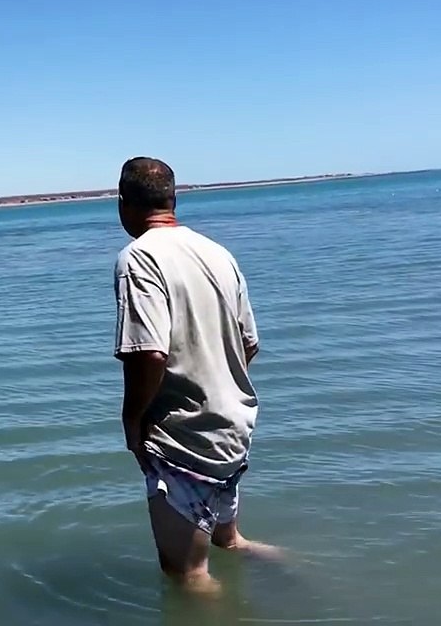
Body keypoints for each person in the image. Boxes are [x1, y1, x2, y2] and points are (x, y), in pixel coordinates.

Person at [111, 156, 277, 596]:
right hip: (234, 427)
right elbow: (249, 343)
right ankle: (301, 575)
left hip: (184, 437)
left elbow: (149, 352)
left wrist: (133, 421)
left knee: (187, 576)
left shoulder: (139, 258)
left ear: (123, 203)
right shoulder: (218, 253)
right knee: (231, 542)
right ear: (173, 199)